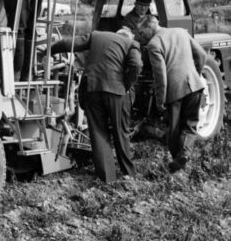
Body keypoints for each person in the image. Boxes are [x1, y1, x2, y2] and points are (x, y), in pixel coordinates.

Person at [52, 27, 142, 182]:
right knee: (120, 132)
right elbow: (136, 65)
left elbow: (69, 43)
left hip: (92, 88)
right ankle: (129, 175)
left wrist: (50, 48)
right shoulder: (131, 43)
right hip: (116, 90)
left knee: (99, 133)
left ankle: (107, 178)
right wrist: (125, 84)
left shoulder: (97, 35)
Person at [138, 15, 206, 172]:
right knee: (190, 124)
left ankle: (177, 163)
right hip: (194, 85)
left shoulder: (154, 44)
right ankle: (185, 155)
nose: (141, 36)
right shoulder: (181, 32)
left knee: (173, 130)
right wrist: (196, 74)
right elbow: (201, 55)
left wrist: (160, 99)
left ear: (150, 27)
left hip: (174, 91)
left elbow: (160, 75)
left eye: (142, 32)